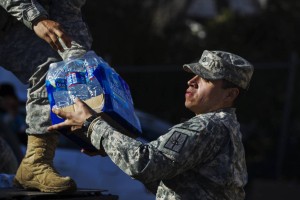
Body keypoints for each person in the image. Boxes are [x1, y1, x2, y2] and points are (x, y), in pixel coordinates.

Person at [48, 50, 254, 199]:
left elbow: (146, 164)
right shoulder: (225, 127)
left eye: (206, 78)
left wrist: (92, 124)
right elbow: (173, 180)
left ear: (230, 94)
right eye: (194, 74)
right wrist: (111, 144)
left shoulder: (207, 127)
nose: (192, 81)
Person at [0, 0, 92, 192]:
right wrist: (36, 18)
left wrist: (79, 61)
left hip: (9, 24)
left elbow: (67, 12)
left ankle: (36, 162)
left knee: (53, 68)